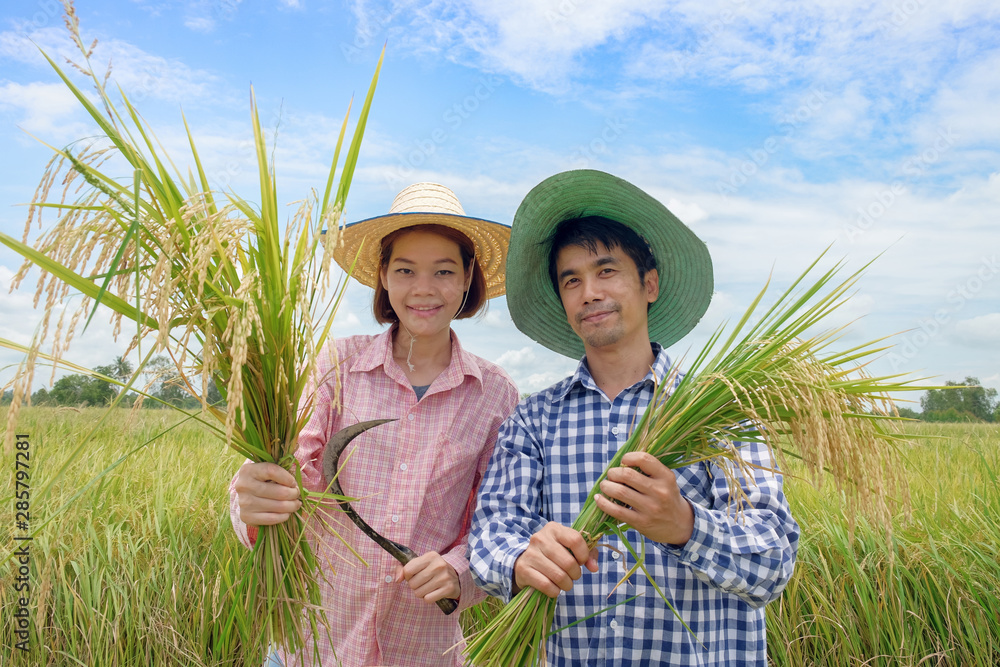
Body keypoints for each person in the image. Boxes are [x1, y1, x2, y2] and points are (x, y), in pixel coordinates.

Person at [468, 169, 800, 666]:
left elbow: (774, 560)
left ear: (649, 284)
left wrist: (685, 524)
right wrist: (520, 560)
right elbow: (491, 532)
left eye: (606, 271)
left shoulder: (718, 411)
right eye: (572, 280)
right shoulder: (533, 422)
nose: (589, 293)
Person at [230, 183, 519, 667]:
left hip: (423, 649)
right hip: (313, 644)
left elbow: (495, 519)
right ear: (383, 275)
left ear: (468, 277)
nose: (423, 288)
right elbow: (282, 473)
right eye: (405, 270)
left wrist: (458, 572)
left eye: (444, 271)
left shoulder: (494, 393)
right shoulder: (334, 367)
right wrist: (254, 499)